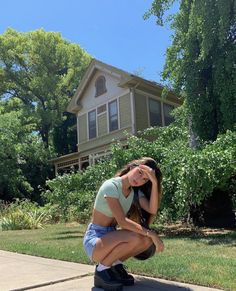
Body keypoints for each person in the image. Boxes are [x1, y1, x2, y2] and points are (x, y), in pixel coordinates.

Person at [83, 157, 164, 291]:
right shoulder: (111, 186)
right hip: (95, 240)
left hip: (109, 239)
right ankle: (102, 271)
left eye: (145, 179)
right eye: (140, 172)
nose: (139, 179)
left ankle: (115, 266)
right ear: (132, 167)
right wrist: (153, 234)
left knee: (146, 240)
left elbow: (152, 209)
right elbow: (122, 222)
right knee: (137, 236)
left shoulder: (133, 192)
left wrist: (154, 182)